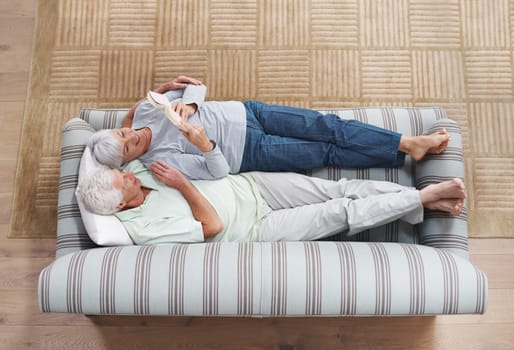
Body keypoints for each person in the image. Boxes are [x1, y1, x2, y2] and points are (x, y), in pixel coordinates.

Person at [87, 76, 450, 180]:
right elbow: (217, 173)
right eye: (130, 147)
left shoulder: (143, 112)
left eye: (123, 135)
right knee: (325, 151)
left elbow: (197, 84)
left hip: (250, 112)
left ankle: (407, 143)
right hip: (251, 152)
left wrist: (191, 102)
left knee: (329, 124)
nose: (133, 138)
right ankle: (401, 149)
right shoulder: (160, 162)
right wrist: (204, 144)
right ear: (130, 160)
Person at [76, 159, 466, 245]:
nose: (129, 174)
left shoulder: (135, 171)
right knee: (339, 212)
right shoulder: (142, 228)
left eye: (122, 171)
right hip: (256, 230)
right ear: (123, 205)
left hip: (253, 186)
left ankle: (423, 204)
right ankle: (424, 197)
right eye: (124, 180)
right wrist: (182, 184)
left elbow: (127, 134)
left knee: (338, 188)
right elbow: (212, 227)